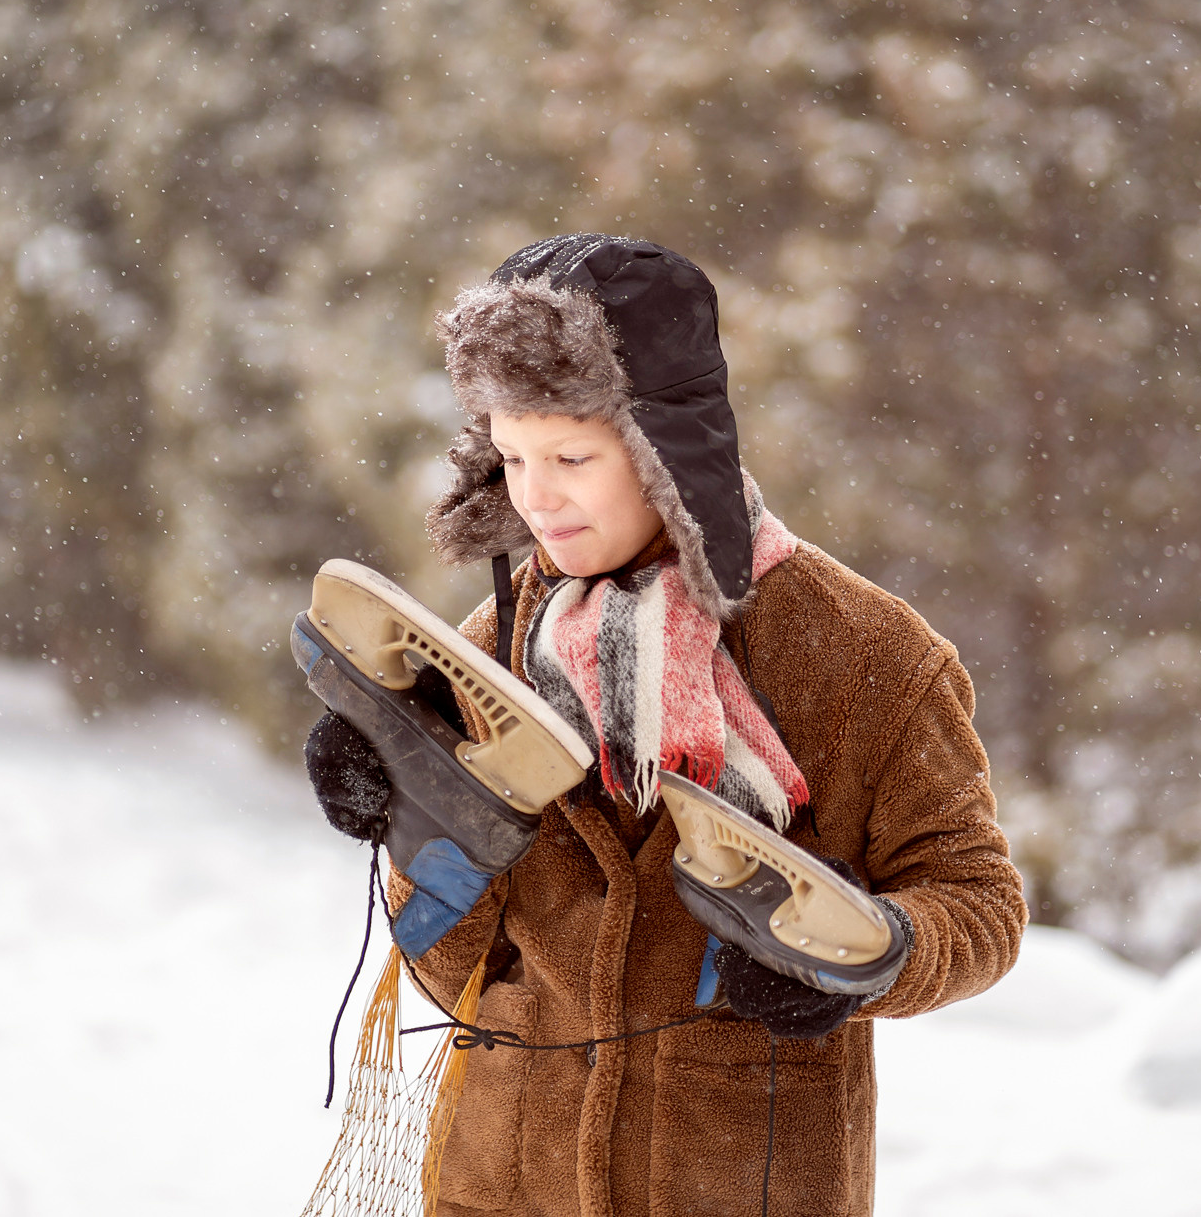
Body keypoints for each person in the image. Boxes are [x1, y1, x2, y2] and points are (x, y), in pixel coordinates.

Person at [305, 235, 1025, 1217]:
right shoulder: (491, 646)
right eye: (510, 456)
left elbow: (978, 903)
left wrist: (867, 956)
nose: (536, 496)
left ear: (664, 447)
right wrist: (416, 807)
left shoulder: (864, 654)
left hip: (739, 1183)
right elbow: (455, 969)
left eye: (569, 456)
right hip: (499, 1187)